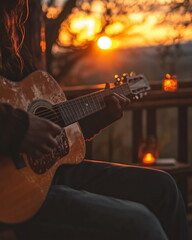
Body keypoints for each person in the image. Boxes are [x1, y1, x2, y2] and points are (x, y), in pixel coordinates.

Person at [0, 0, 189, 240]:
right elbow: (24, 125)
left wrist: (99, 118)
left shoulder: (13, 47)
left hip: (47, 173)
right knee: (140, 223)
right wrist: (20, 128)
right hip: (12, 192)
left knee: (163, 187)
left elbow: (54, 130)